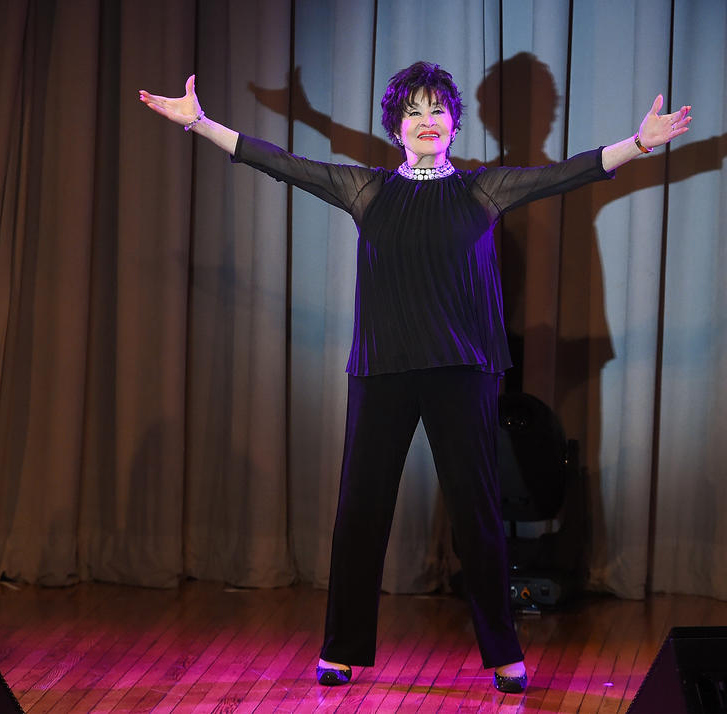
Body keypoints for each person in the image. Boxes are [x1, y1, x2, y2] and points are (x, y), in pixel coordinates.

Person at [139, 61, 691, 694]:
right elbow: (281, 162)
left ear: (453, 123)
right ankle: (342, 647)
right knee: (361, 513)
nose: (426, 122)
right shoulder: (366, 190)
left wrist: (640, 142)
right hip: (383, 373)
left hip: (462, 372)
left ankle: (504, 654)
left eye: (436, 111)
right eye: (414, 112)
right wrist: (203, 125)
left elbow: (565, 174)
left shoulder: (483, 190)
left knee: (477, 514)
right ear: (397, 126)